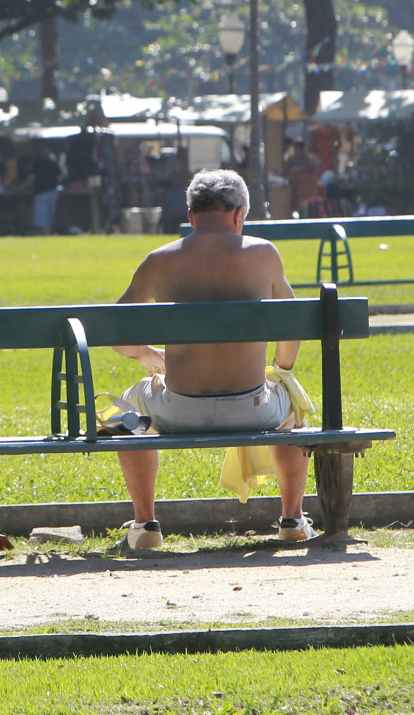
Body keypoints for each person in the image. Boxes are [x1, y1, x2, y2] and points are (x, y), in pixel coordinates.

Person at [108, 169, 314, 549]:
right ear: (240, 215)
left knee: (127, 410)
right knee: (291, 406)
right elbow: (292, 324)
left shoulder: (159, 260)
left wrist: (149, 356)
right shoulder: (264, 254)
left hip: (178, 411)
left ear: (190, 217)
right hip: (254, 409)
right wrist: (281, 371)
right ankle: (292, 519)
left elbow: (115, 333)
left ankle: (145, 525)